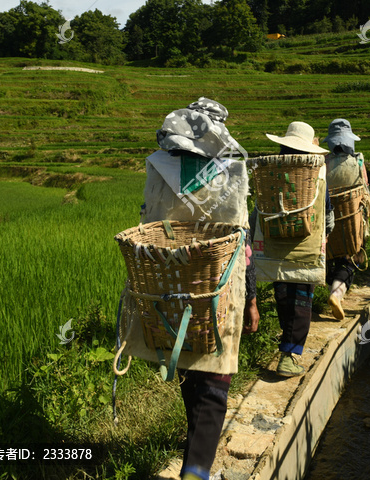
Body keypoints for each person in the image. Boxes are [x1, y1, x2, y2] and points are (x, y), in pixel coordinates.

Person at [129, 97, 258, 480]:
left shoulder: (157, 167)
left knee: (187, 357)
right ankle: (197, 470)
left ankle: (195, 454)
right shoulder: (231, 172)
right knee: (217, 373)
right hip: (217, 283)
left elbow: (148, 224)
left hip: (170, 281)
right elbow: (243, 243)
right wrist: (251, 299)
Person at [251, 122, 333, 377]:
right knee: (302, 301)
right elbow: (327, 215)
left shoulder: (269, 173)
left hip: (275, 246)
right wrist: (324, 236)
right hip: (304, 248)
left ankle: (287, 347)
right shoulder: (317, 174)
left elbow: (258, 211)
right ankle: (289, 356)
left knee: (284, 296)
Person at [323, 119, 370, 321]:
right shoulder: (358, 161)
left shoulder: (323, 163)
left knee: (330, 258)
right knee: (352, 258)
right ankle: (337, 293)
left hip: (327, 221)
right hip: (351, 221)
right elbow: (365, 191)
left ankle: (332, 286)